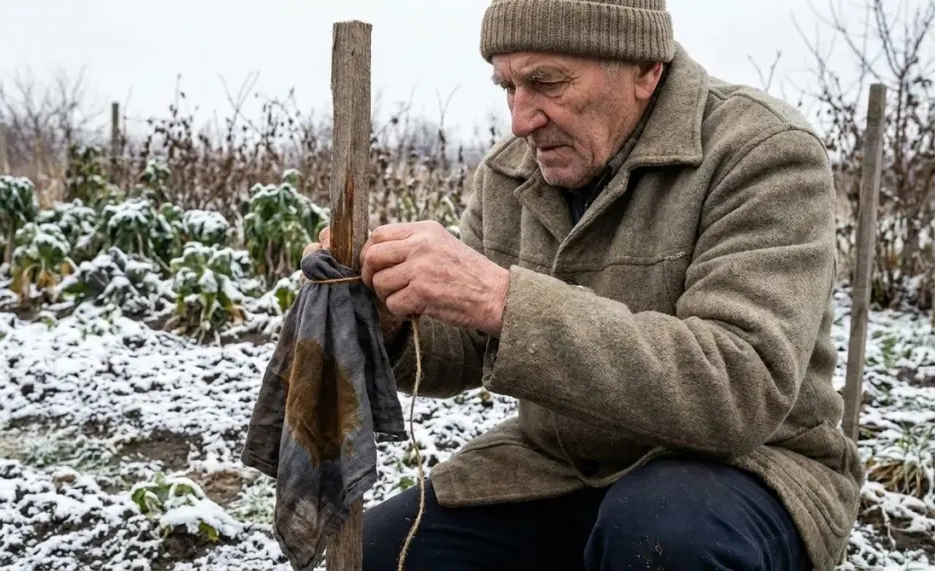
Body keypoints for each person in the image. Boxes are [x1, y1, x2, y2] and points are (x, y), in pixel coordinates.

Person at [302, 0, 864, 569]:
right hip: (558, 466)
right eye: (508, 87)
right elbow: (465, 347)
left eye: (547, 82)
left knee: (661, 535)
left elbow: (739, 386)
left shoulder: (762, 153)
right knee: (378, 556)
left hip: (747, 470)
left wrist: (500, 298)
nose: (522, 120)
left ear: (645, 69)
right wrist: (394, 316)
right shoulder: (512, 170)